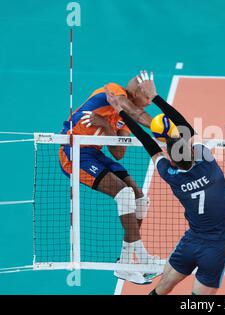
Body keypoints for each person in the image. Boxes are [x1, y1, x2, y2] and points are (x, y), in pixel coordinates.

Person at [105, 71, 225, 295]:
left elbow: (149, 144)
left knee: (162, 288)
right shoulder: (208, 165)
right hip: (215, 247)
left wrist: (120, 112)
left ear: (172, 159)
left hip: (190, 243)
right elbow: (185, 126)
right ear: (192, 152)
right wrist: (155, 97)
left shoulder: (172, 176)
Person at [59, 72, 158, 284]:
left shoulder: (125, 116)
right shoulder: (114, 90)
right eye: (147, 98)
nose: (148, 103)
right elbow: (133, 110)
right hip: (73, 152)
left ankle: (130, 260)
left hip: (93, 151)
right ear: (137, 92)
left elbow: (119, 152)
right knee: (123, 194)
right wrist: (164, 129)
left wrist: (106, 125)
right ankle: (135, 260)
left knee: (140, 197)